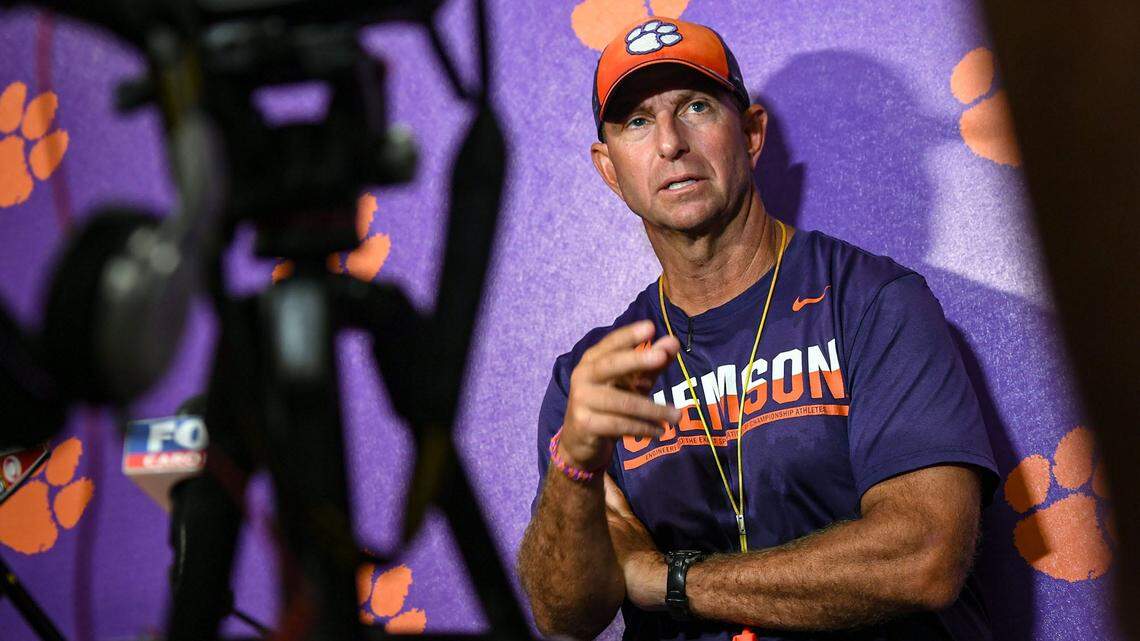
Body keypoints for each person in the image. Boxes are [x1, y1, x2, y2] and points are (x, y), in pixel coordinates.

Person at [516, 17, 999, 641]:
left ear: (750, 133)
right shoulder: (592, 377)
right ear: (610, 170)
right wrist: (575, 462)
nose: (670, 143)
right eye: (637, 120)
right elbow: (564, 614)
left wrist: (673, 581)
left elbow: (922, 557)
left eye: (695, 106)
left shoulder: (872, 303)